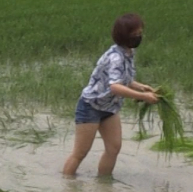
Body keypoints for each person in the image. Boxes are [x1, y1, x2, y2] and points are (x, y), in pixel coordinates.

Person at [63, 13, 158, 177]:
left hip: (110, 108)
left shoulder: (129, 53)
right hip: (91, 106)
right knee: (81, 153)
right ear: (124, 35)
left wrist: (142, 87)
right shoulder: (115, 57)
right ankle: (67, 186)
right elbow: (115, 87)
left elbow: (124, 80)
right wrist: (144, 97)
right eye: (135, 34)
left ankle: (104, 185)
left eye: (140, 33)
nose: (139, 37)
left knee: (114, 148)